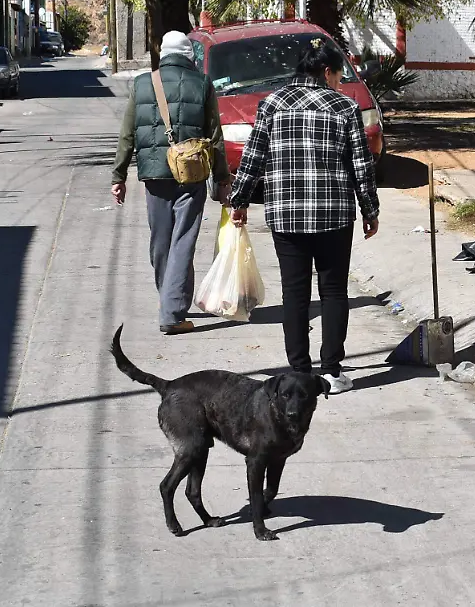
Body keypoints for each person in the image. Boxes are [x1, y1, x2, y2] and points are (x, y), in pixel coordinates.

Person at [228, 39, 380, 394]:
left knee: (294, 294)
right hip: (334, 217)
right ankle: (330, 372)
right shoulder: (344, 107)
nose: (341, 82)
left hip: (285, 215)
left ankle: (298, 372)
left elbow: (253, 160)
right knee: (333, 291)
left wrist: (240, 201)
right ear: (326, 72)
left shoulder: (272, 104)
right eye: (339, 75)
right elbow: (361, 165)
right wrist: (370, 209)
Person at [112, 30, 231, 335]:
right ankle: (172, 313)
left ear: (163, 53)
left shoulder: (141, 83)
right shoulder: (202, 84)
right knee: (183, 242)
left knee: (161, 242)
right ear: (189, 55)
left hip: (154, 174)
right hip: (191, 174)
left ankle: (170, 300)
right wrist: (222, 180)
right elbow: (215, 136)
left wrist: (119, 176)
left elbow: (127, 134)